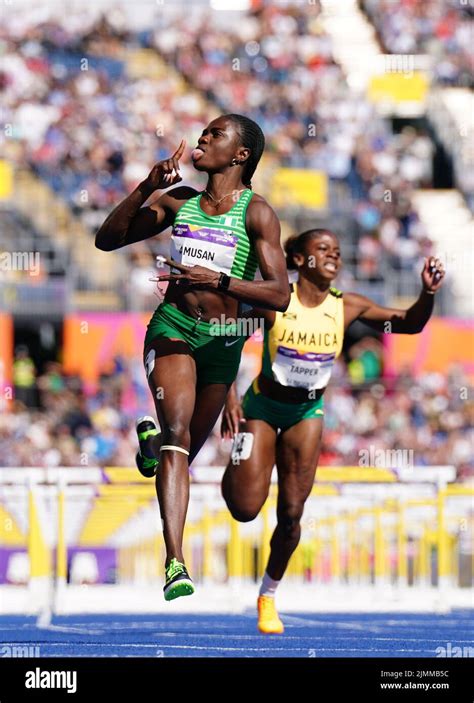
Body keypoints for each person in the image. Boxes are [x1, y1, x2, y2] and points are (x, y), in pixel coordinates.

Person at [95, 114, 290, 601]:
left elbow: (281, 295)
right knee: (179, 439)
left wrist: (218, 282)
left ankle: (150, 446)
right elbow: (107, 238)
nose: (202, 139)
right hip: (174, 328)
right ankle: (175, 561)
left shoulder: (257, 214)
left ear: (240, 155)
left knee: (177, 450)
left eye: (215, 135)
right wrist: (145, 187)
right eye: (202, 133)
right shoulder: (179, 201)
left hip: (223, 342)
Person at [220, 228, 445, 633]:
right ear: (302, 260)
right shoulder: (277, 300)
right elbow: (227, 335)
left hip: (307, 411)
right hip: (261, 408)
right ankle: (237, 469)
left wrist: (426, 294)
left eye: (338, 251)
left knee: (291, 514)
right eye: (323, 250)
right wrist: (227, 396)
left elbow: (407, 324)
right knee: (244, 508)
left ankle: (268, 596)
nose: (334, 257)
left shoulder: (347, 308)